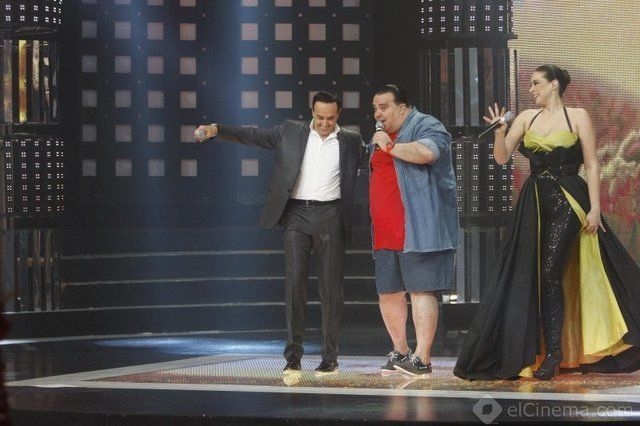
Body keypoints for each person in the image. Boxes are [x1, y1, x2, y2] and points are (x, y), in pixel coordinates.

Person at [454, 65, 640, 381]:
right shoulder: (526, 118)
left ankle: (554, 354)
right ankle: (546, 349)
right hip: (535, 202)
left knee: (551, 272)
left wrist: (595, 208)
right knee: (534, 273)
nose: (531, 89)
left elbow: (592, 164)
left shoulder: (577, 116)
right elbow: (502, 157)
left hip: (569, 200)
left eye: (536, 83)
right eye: (530, 84)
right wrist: (499, 132)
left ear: (554, 85)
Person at [195, 92, 367, 374]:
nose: (324, 123)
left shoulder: (350, 140)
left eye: (330, 118)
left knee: (331, 290)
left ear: (339, 115)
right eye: (320, 117)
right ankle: (293, 357)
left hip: (331, 215)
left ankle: (330, 357)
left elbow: (374, 162)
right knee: (295, 286)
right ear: (311, 112)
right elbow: (254, 135)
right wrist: (217, 130)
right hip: (296, 214)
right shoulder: (290, 131)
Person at [369, 85, 459, 376]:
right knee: (389, 293)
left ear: (403, 107)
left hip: (419, 228)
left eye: (384, 107)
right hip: (385, 231)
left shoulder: (426, 124)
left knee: (421, 290)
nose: (378, 113)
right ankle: (400, 351)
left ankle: (422, 358)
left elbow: (427, 152)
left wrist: (390, 146)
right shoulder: (380, 137)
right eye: (375, 108)